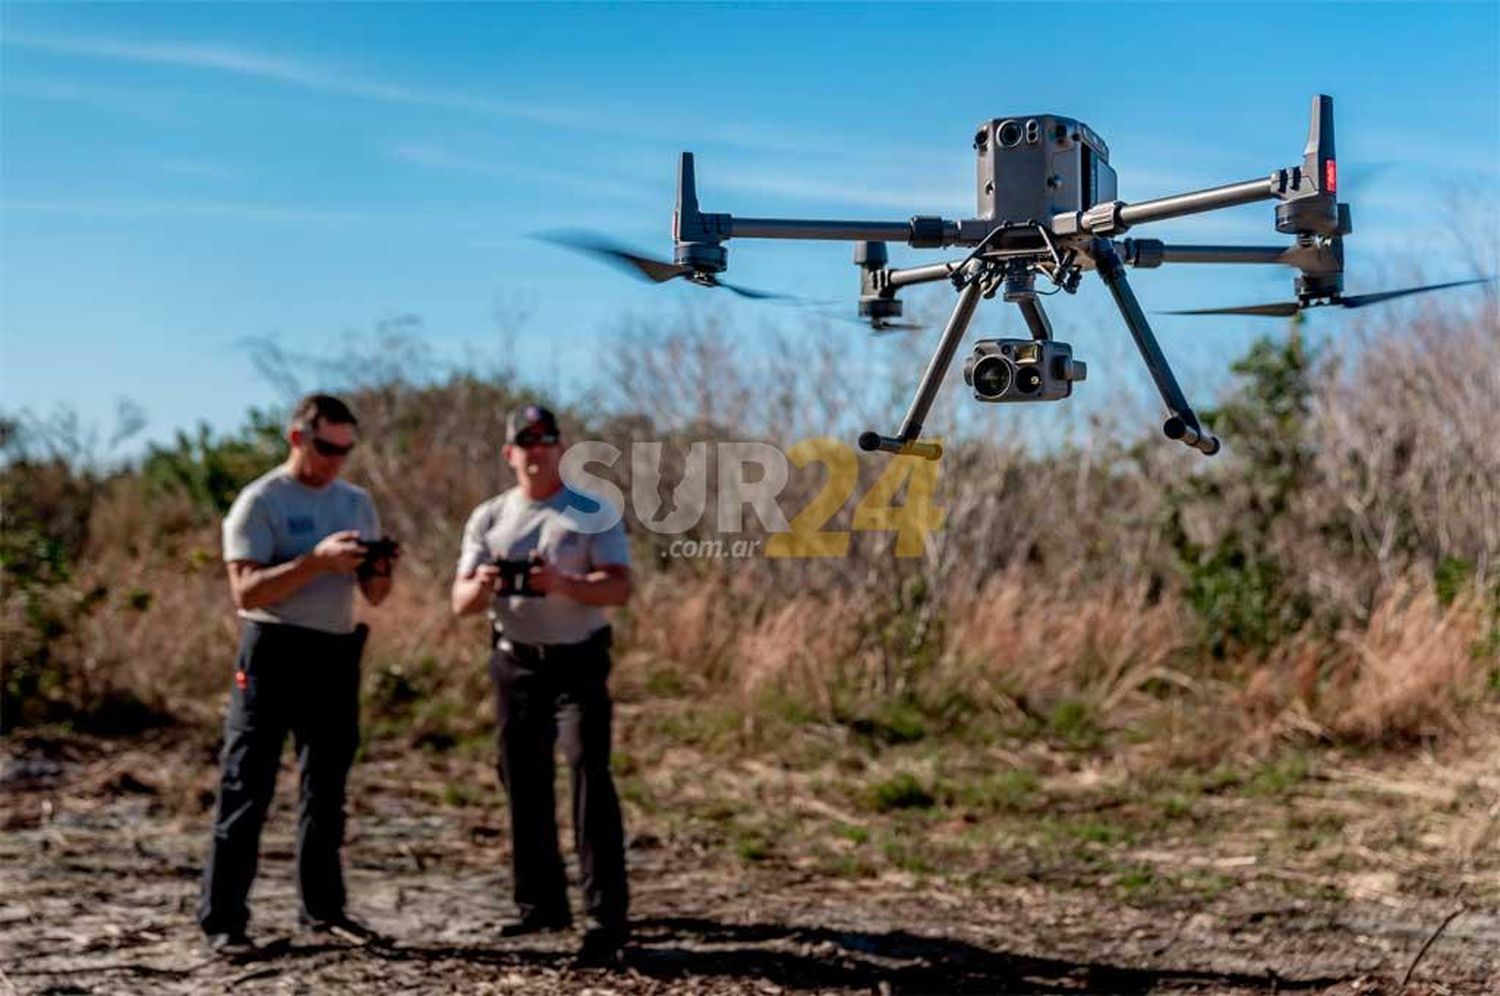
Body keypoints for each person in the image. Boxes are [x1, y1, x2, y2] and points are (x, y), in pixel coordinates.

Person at [199, 394, 397, 957]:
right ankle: (224, 920)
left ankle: (324, 910)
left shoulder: (357, 503)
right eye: (327, 447)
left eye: (346, 449)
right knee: (248, 783)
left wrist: (378, 568)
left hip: (334, 651)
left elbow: (376, 596)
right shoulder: (260, 501)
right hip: (272, 649)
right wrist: (315, 562)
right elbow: (246, 591)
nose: (337, 459)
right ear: (297, 438)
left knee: (326, 790)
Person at [451, 403, 632, 967]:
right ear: (510, 453)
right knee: (522, 778)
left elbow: (620, 589)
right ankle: (540, 904)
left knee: (587, 771)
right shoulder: (489, 517)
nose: (536, 452)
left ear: (560, 449)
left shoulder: (591, 510)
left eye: (545, 441)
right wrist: (485, 585)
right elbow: (458, 603)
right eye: (525, 443)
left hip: (577, 661)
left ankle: (604, 914)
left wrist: (562, 582)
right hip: (515, 662)